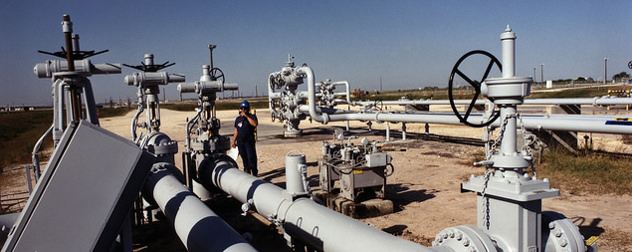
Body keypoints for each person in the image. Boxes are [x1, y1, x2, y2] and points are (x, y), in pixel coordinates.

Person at [231, 100, 258, 176]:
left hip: (248, 142)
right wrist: (233, 141)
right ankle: (247, 172)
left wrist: (246, 116)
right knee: (244, 159)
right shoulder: (238, 119)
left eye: (245, 109)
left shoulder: (252, 117)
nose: (243, 110)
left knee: (251, 158)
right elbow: (236, 130)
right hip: (240, 142)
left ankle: (254, 172)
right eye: (242, 108)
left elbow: (255, 124)